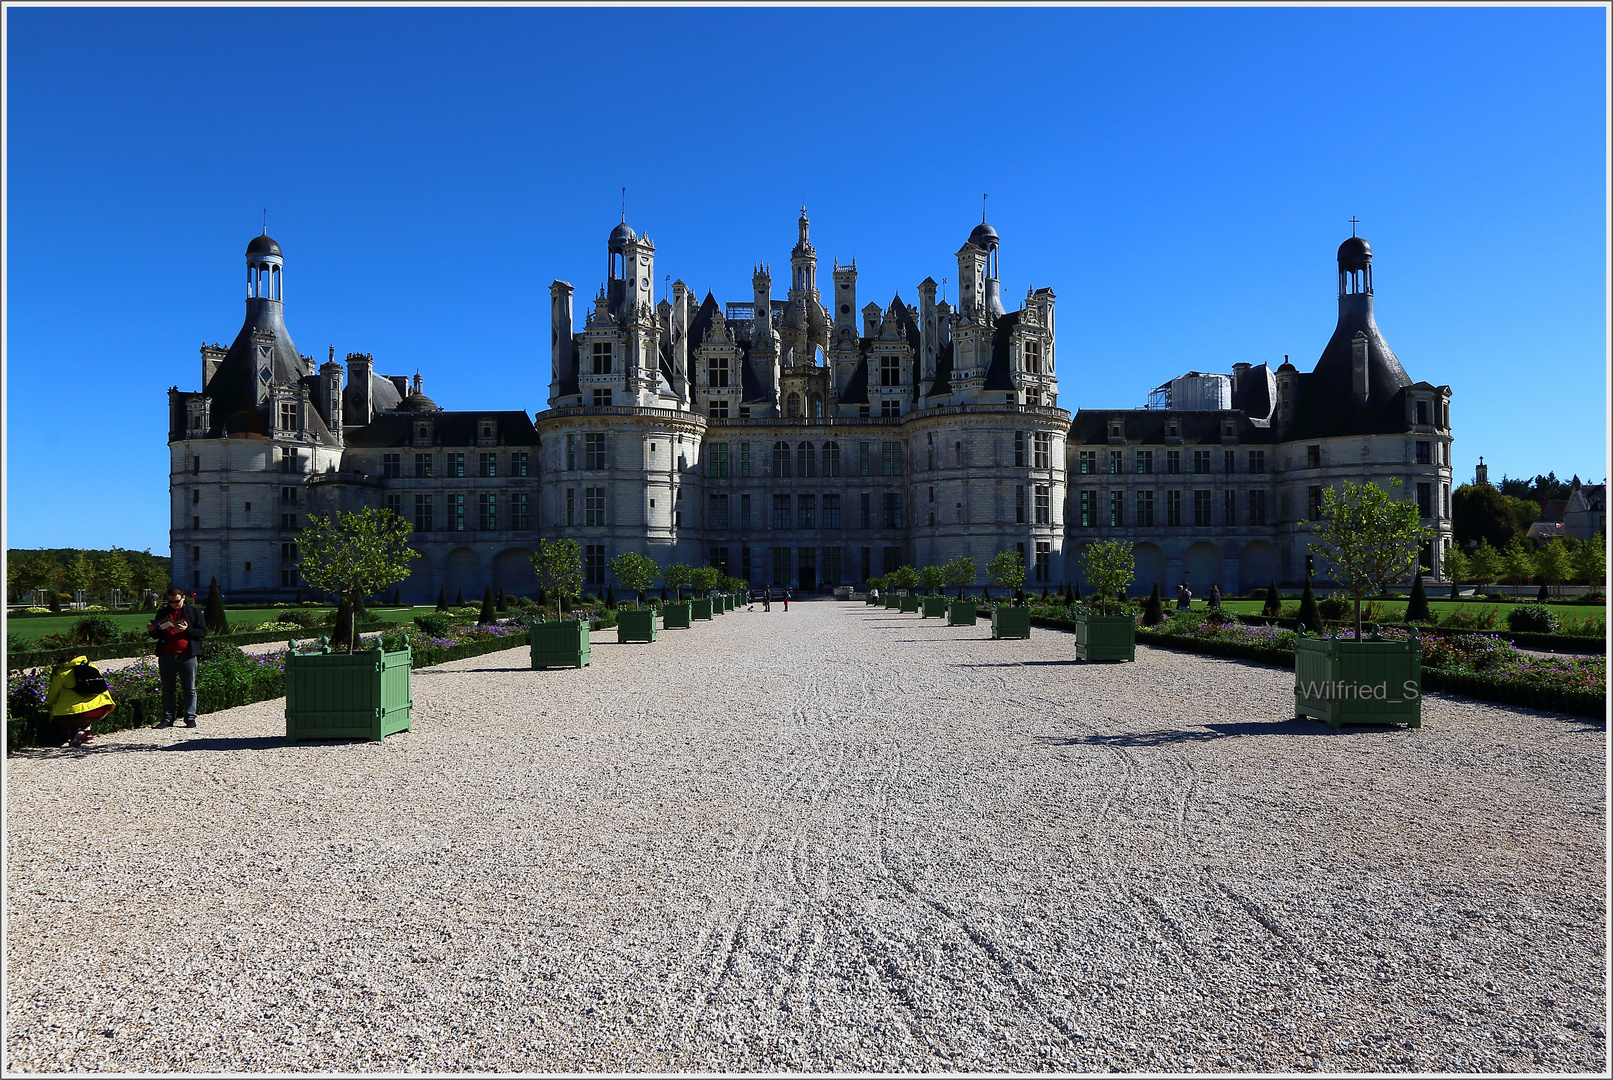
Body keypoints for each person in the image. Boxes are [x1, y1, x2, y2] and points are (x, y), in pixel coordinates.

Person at [148, 586, 207, 728]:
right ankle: (167, 718)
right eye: (171, 602)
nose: (174, 604)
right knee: (168, 689)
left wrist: (187, 630)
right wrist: (152, 630)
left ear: (183, 598)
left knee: (189, 688)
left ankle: (190, 717)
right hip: (166, 655)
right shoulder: (163, 612)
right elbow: (157, 635)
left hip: (187, 655)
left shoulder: (193, 612)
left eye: (176, 601)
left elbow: (202, 633)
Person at [45, 651, 115, 747]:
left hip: (74, 714)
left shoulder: (62, 672)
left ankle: (74, 732)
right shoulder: (92, 667)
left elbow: (51, 696)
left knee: (58, 721)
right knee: (86, 713)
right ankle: (87, 733)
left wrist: (46, 708)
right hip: (102, 709)